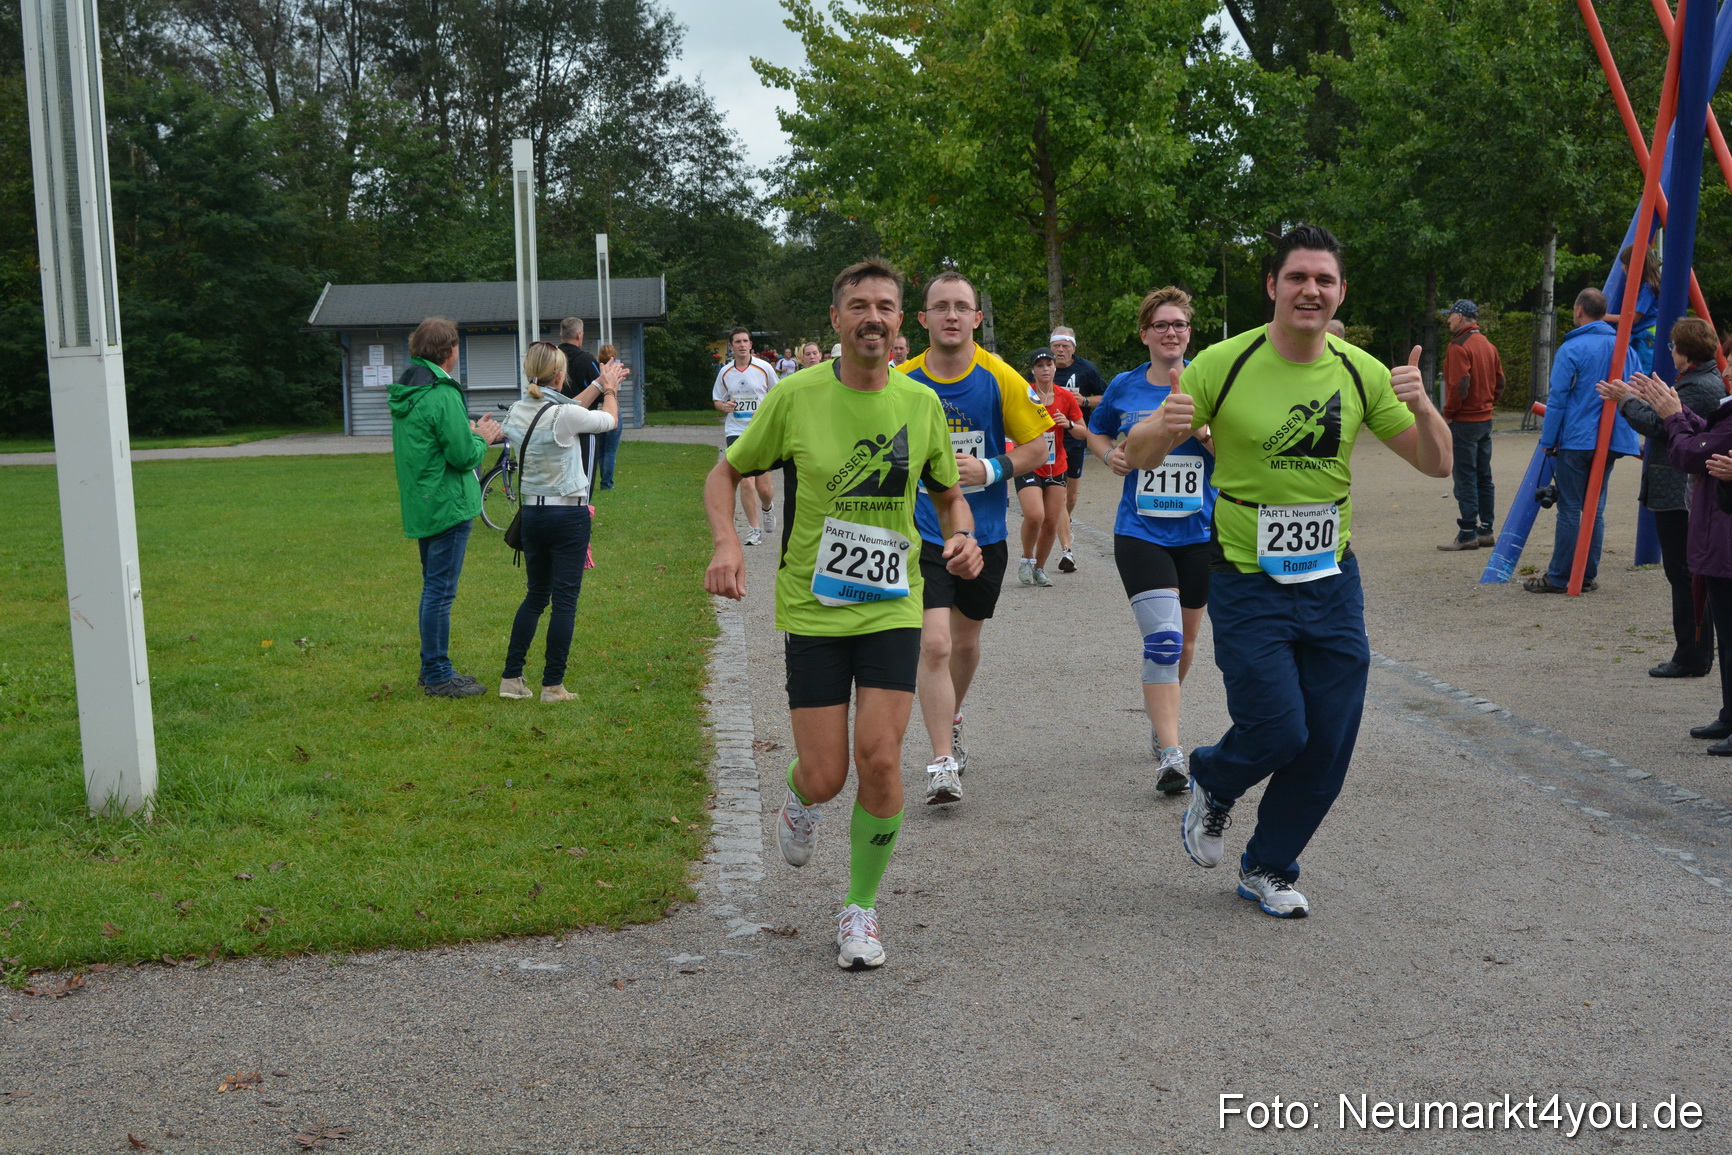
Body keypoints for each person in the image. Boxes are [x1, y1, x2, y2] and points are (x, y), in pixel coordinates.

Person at [1126, 224, 1450, 918]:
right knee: (1279, 728)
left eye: (1324, 280)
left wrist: (1424, 407)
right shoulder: (1222, 362)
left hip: (1332, 578)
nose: (1311, 290)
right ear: (1272, 285)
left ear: (1340, 293)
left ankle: (1268, 864)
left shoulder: (1358, 369)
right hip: (1247, 578)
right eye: (1297, 277)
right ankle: (1213, 776)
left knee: (1329, 740)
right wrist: (1167, 422)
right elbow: (1140, 453)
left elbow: (1437, 462)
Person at [704, 258, 982, 970]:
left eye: (886, 306)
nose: (874, 317)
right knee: (827, 773)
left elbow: (949, 492)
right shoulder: (794, 396)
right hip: (816, 607)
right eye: (859, 305)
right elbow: (727, 471)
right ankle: (800, 797)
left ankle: (859, 907)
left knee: (882, 759)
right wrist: (729, 541)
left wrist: (961, 533)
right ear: (836, 320)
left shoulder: (919, 405)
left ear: (900, 322)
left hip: (893, 605)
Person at [899, 272, 1053, 804]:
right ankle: (942, 761)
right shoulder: (903, 378)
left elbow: (1039, 445)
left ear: (976, 318)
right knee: (935, 643)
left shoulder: (999, 375)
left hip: (984, 534)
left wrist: (989, 470)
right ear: (922, 319)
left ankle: (952, 716)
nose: (950, 316)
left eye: (961, 307)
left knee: (964, 644)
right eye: (939, 307)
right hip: (922, 533)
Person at [1086, 287, 1216, 794]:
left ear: (1189, 333)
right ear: (1145, 334)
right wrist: (1107, 455)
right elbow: (1094, 430)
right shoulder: (1123, 386)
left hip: (1200, 533)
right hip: (1140, 531)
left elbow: (1237, 454)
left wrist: (1205, 433)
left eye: (1179, 325)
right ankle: (1171, 750)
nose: (1171, 333)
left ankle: (1161, 718)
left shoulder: (1211, 383)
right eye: (1161, 325)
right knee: (1162, 641)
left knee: (1184, 644)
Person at [497, 343, 627, 702]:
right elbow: (608, 420)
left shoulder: (518, 410)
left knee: (536, 596)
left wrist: (600, 383)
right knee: (565, 602)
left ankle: (511, 678)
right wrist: (611, 390)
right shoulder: (563, 415)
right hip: (567, 515)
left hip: (532, 515)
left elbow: (570, 408)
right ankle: (553, 685)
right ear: (560, 375)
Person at [1598, 317, 1725, 677]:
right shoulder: (1698, 381)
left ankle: (1692, 655)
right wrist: (1640, 398)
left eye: (1672, 346)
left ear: (1684, 352)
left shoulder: (1698, 386)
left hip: (1678, 491)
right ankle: (1691, 651)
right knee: (1684, 574)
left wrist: (1626, 402)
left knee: (1685, 575)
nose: (1669, 351)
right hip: (1676, 488)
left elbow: (1662, 426)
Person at [388, 316, 504, 698]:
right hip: (447, 504)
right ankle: (438, 674)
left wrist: (466, 431)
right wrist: (482, 438)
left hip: (424, 501)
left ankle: (432, 667)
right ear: (449, 350)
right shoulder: (442, 392)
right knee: (440, 591)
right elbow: (459, 455)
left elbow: (434, 443)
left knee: (433, 587)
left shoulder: (409, 389)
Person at [1635, 373, 1732, 752]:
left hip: (1723, 540)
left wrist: (1672, 414)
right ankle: (1728, 715)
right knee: (1725, 635)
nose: (1727, 371)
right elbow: (1705, 439)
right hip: (1718, 537)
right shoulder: (1722, 403)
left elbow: (1691, 453)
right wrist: (1674, 410)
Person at [1525, 288, 1641, 593]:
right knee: (1595, 508)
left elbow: (1559, 398)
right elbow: (1637, 389)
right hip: (1612, 438)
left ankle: (1561, 575)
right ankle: (1587, 573)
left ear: (1579, 310)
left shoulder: (1573, 348)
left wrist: (1548, 440)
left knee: (1570, 508)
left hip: (1578, 439)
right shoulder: (1624, 347)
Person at [1437, 299, 1505, 551]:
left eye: (1451, 314)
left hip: (1464, 421)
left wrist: (1449, 413)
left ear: (1462, 317)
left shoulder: (1458, 346)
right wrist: (1487, 403)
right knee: (1484, 476)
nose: (1448, 319)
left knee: (1464, 476)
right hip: (1485, 420)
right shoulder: (1488, 345)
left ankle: (1467, 532)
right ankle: (1485, 530)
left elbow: (1460, 384)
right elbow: (1501, 383)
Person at [1015, 347, 1083, 587]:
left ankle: (1039, 568)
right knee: (1035, 515)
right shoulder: (1024, 394)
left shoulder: (1065, 397)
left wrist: (1070, 423)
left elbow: (1085, 432)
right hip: (1029, 463)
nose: (1045, 369)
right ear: (1033, 370)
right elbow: (1008, 423)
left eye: (1048, 364)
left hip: (1056, 465)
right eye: (1040, 365)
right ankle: (1026, 559)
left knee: (1052, 521)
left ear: (1055, 367)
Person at [712, 327, 780, 546]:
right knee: (746, 483)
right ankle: (754, 529)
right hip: (736, 431)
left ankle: (767, 508)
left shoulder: (764, 368)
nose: (742, 345)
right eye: (737, 342)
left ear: (751, 345)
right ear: (731, 347)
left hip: (760, 430)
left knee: (764, 488)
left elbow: (778, 395)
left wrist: (768, 414)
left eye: (745, 341)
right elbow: (717, 401)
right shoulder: (724, 372)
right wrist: (726, 406)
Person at [1051, 326, 1106, 573]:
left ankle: (1065, 521)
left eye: (1065, 346)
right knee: (1060, 496)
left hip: (1075, 438)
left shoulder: (1086, 369)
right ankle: (1067, 549)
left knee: (1070, 497)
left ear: (1073, 348)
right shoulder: (1043, 367)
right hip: (1049, 442)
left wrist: (1083, 400)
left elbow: (1105, 396)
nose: (1060, 351)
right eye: (1056, 346)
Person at [1605, 245, 1661, 373]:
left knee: (1642, 373)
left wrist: (1605, 316)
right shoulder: (1643, 286)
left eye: (1625, 263)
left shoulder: (1647, 288)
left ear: (1635, 265)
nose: (1622, 267)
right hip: (1640, 334)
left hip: (1646, 335)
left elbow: (1634, 318)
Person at [591, 343, 624, 491]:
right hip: (612, 409)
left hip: (597, 410)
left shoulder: (596, 371)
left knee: (601, 450)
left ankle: (602, 479)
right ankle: (607, 483)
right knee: (610, 450)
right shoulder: (613, 374)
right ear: (614, 357)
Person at [556, 318, 602, 398]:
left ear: (561, 335)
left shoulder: (551, 358)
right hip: (583, 409)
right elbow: (601, 389)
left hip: (554, 409)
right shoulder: (587, 361)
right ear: (579, 335)